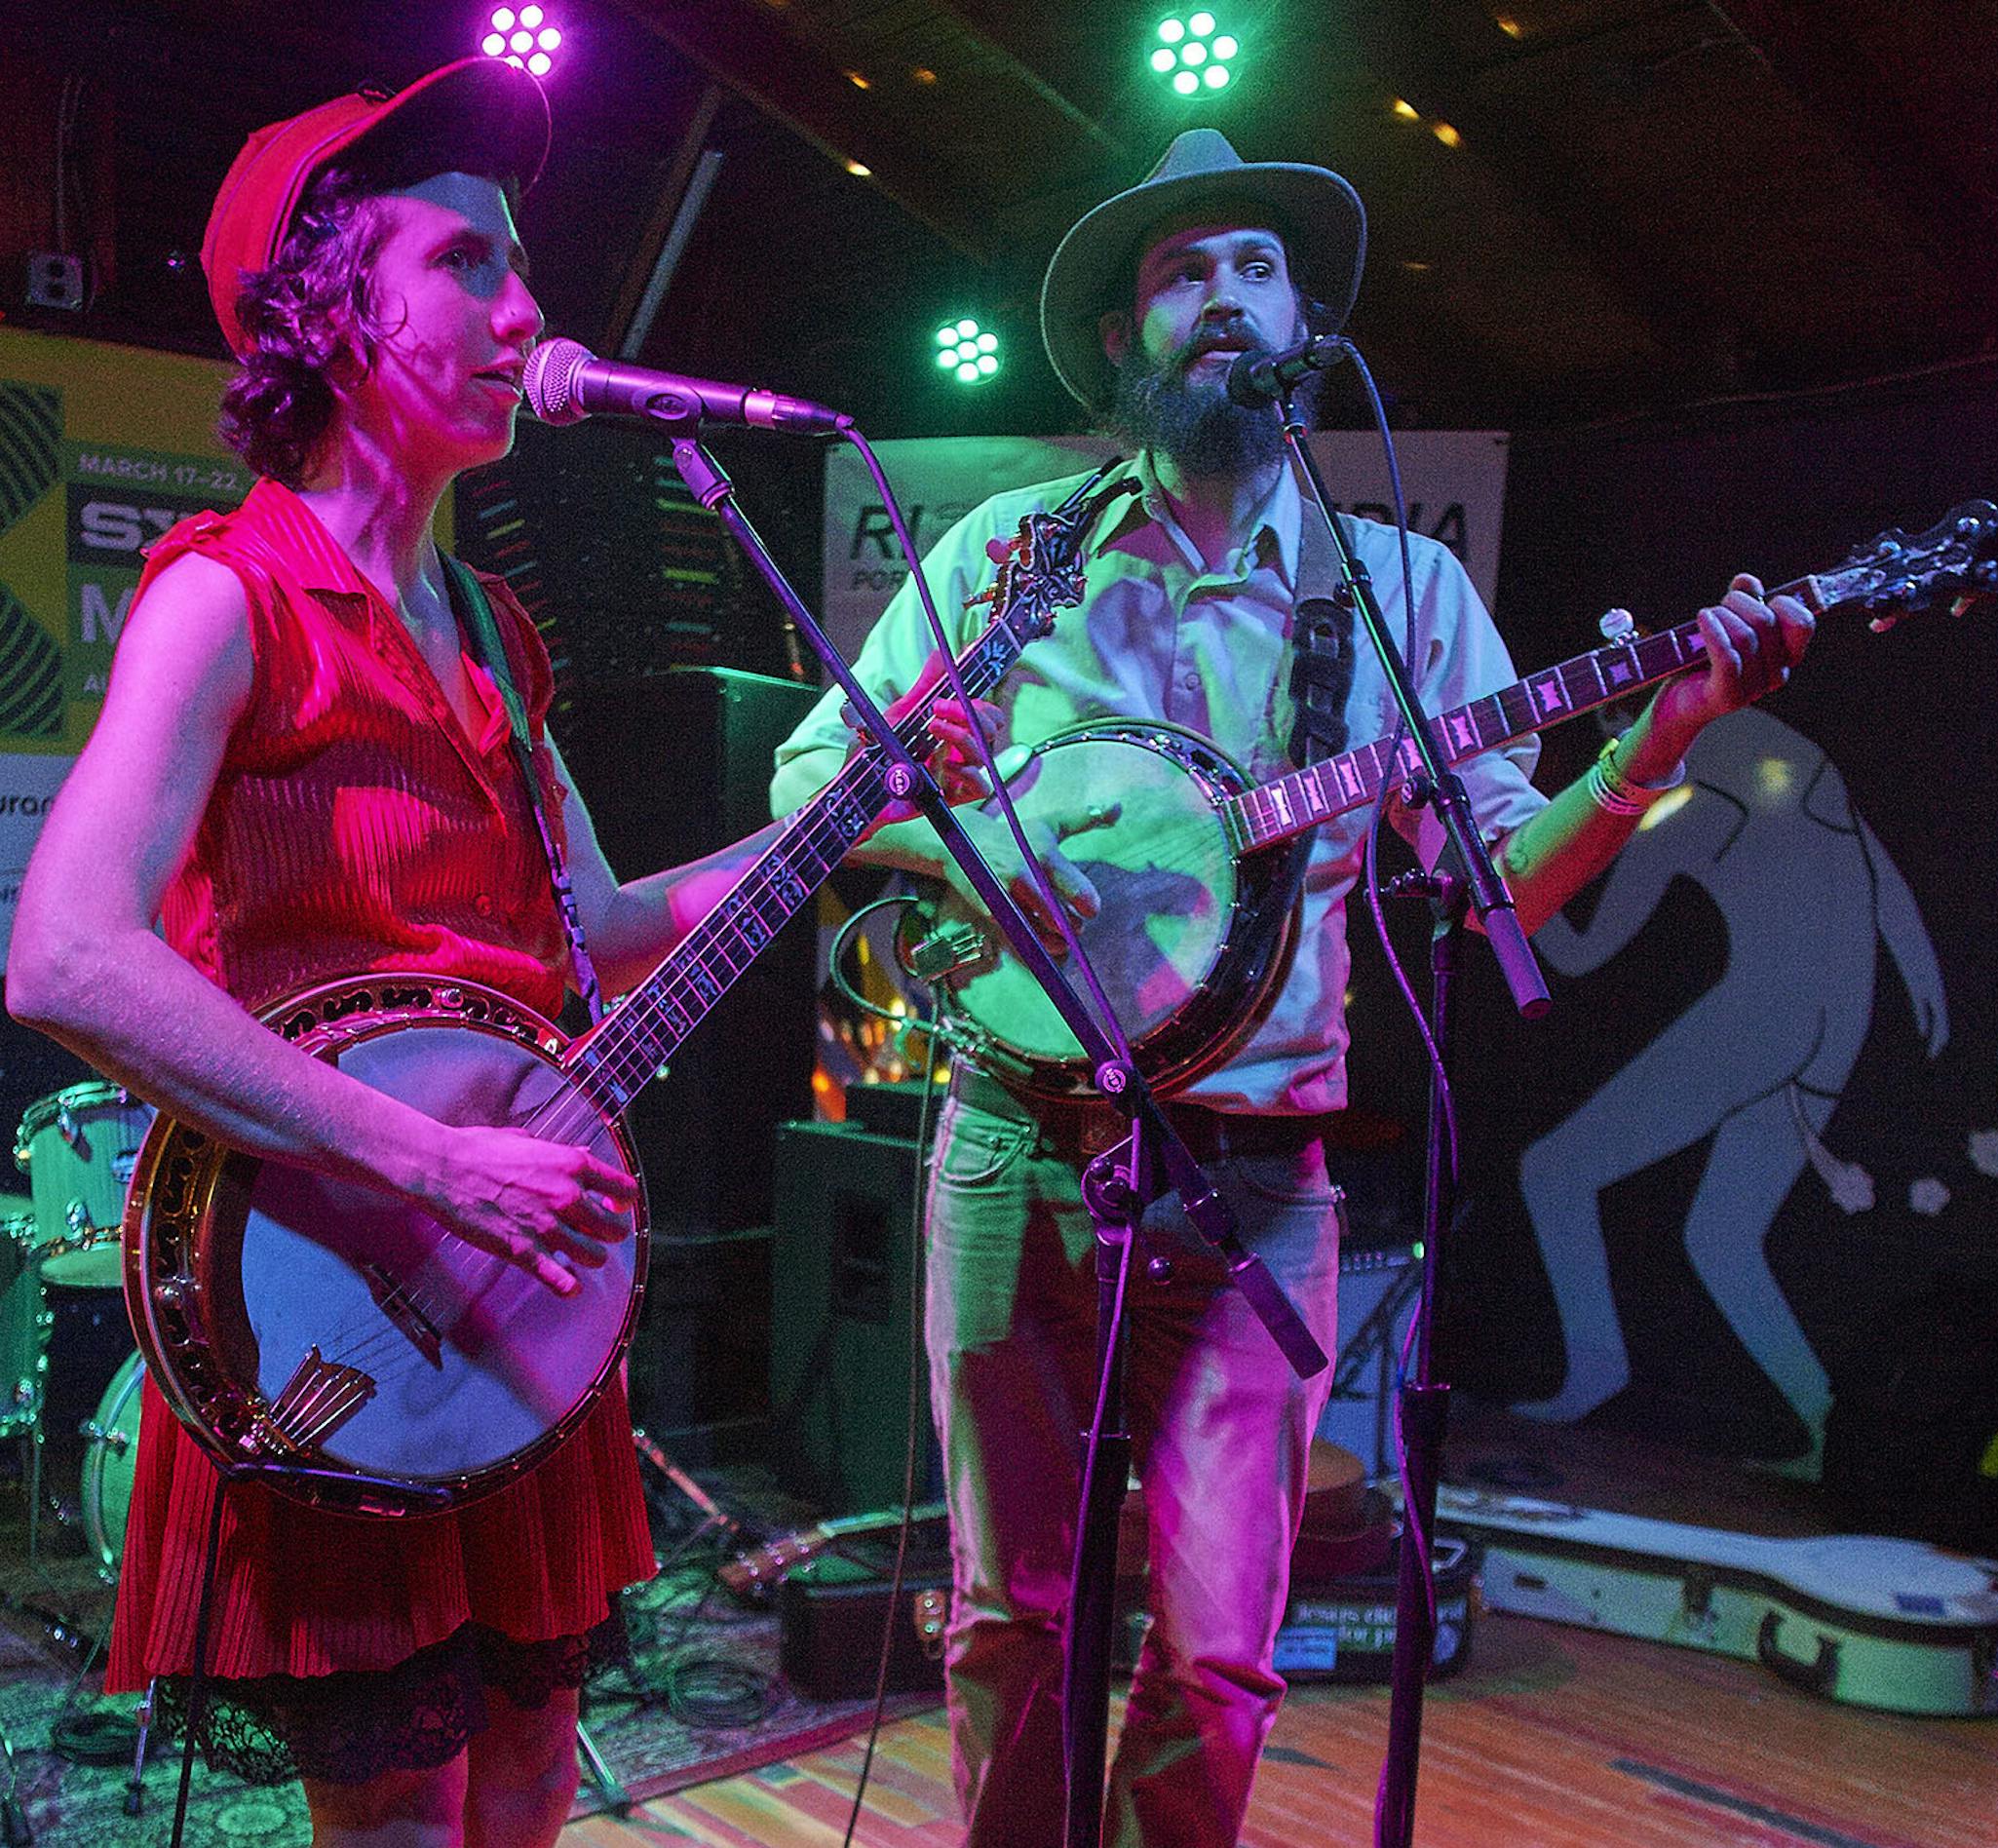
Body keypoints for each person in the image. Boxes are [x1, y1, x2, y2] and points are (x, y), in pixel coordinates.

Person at [769, 128, 1814, 1847]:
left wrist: (1652, 746)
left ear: (1303, 319)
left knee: (1221, 1657)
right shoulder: (1008, 556)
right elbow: (814, 778)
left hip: (1261, 1180)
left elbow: (1497, 886)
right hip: (1018, 1153)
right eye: (1184, 274)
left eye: (1254, 268)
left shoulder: (1397, 593)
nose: (1226, 301)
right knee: (1013, 1624)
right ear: (1124, 340)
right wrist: (993, 858)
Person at [6, 58, 982, 1848]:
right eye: (467, 262)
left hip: (502, 1319)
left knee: (526, 1793)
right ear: (325, 305)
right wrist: (427, 1155)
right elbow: (64, 954)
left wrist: (869, 796)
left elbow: (609, 927)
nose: (529, 308)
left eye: (521, 269)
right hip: (335, 1298)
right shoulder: (228, 594)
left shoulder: (493, 632)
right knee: (395, 1816)